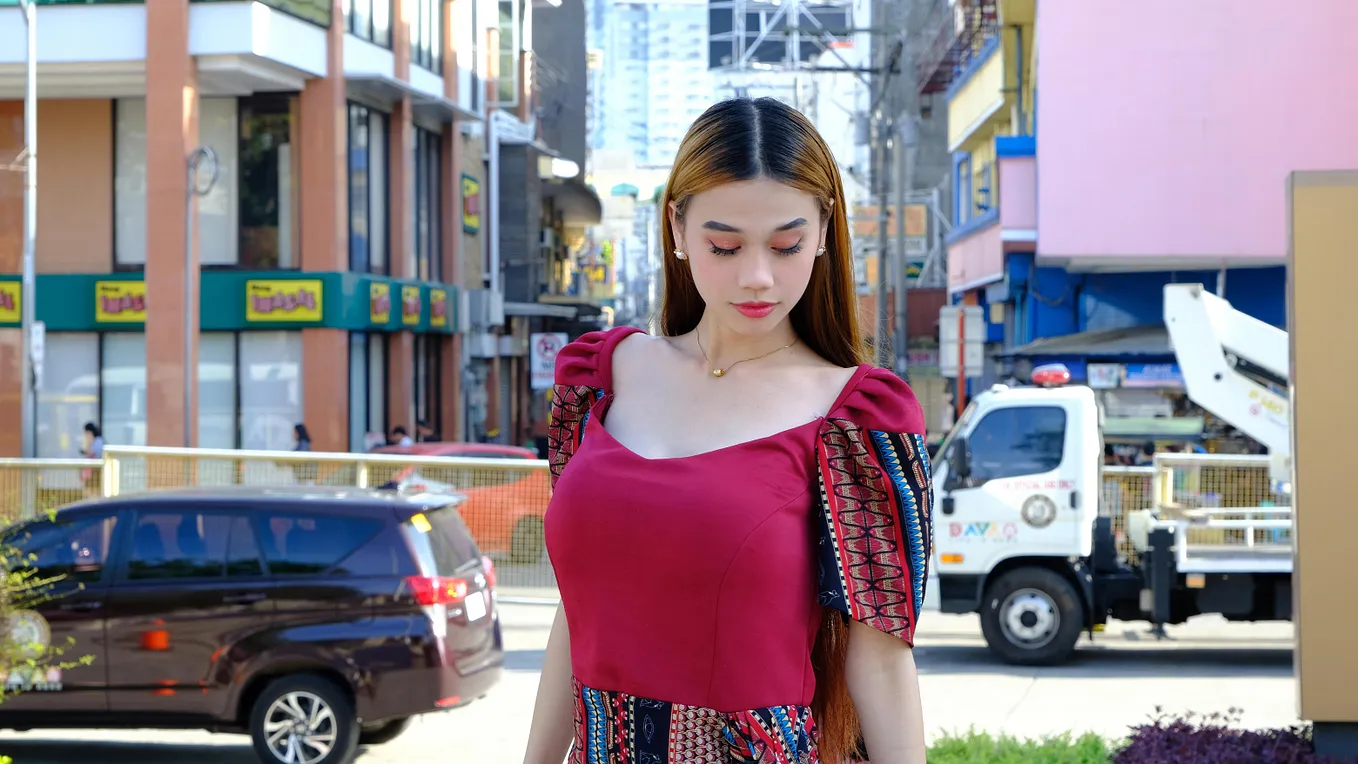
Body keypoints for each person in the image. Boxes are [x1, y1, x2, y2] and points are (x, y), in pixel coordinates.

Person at [523, 98, 932, 764]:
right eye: (725, 245)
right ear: (677, 229)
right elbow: (578, 611)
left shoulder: (857, 422)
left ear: (826, 230)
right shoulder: (598, 381)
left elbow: (881, 663)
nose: (757, 277)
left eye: (786, 243)